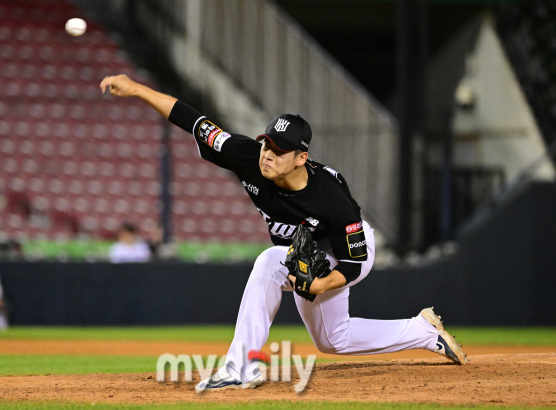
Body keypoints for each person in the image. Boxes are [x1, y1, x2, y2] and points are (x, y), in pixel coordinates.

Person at [99, 74, 468, 392]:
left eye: (279, 150)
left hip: (347, 253)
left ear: (300, 158)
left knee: (269, 262)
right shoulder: (248, 157)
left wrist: (322, 285)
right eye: (267, 143)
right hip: (304, 254)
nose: (268, 154)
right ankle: (422, 332)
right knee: (332, 341)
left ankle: (239, 366)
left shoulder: (330, 196)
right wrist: (137, 89)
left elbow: (355, 262)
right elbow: (194, 121)